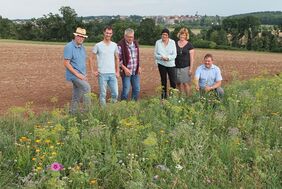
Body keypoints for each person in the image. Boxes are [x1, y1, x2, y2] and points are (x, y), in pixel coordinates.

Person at [89, 26, 119, 105]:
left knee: (115, 93)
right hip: (102, 74)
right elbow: (91, 58)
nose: (108, 35)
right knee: (103, 94)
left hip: (112, 74)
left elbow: (117, 58)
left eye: (110, 33)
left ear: (112, 34)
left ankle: (111, 109)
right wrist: (93, 71)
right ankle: (104, 111)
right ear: (104, 33)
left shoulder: (114, 45)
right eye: (107, 33)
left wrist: (117, 71)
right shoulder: (98, 45)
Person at [63, 27, 91, 114]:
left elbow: (81, 62)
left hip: (81, 75)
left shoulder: (83, 48)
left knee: (77, 95)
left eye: (83, 37)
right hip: (74, 75)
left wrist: (84, 74)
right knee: (87, 88)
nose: (81, 38)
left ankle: (72, 113)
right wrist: (78, 75)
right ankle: (87, 112)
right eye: (79, 36)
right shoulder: (69, 47)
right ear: (75, 36)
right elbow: (66, 63)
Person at [117, 28, 141, 101]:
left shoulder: (136, 43)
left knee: (137, 89)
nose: (131, 38)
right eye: (129, 37)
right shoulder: (120, 45)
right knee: (126, 89)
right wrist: (125, 69)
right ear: (125, 36)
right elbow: (118, 60)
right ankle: (123, 104)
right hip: (126, 71)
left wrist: (139, 66)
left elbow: (137, 57)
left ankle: (133, 104)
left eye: (132, 37)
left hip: (135, 70)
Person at [154, 28, 177, 99]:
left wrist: (168, 58)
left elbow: (174, 54)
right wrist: (161, 57)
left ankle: (172, 96)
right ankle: (163, 97)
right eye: (163, 34)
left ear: (168, 36)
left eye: (166, 35)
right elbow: (155, 55)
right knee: (163, 81)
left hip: (171, 65)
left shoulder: (172, 42)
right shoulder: (158, 42)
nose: (164, 36)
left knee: (173, 81)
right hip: (161, 64)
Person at [175, 27, 195, 96]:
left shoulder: (190, 45)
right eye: (181, 34)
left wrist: (191, 69)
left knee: (185, 83)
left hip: (185, 67)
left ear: (186, 36)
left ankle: (188, 99)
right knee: (178, 83)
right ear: (179, 35)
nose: (182, 36)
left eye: (184, 35)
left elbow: (192, 59)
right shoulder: (174, 43)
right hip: (175, 67)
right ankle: (180, 99)